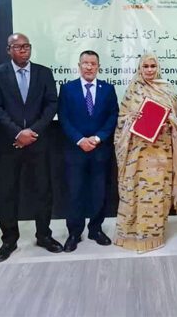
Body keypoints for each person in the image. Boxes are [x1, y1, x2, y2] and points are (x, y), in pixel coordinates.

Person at [0, 33, 61, 262]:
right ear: (8, 50)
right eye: (18, 47)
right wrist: (18, 133)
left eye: (26, 46)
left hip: (38, 143)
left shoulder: (43, 73)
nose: (23, 50)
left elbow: (51, 104)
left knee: (43, 191)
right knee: (7, 193)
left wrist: (32, 132)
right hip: (9, 144)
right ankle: (9, 240)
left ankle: (44, 235)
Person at [113, 53, 177, 252]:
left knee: (157, 194)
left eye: (152, 66)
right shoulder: (132, 90)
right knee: (135, 193)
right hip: (137, 155)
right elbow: (121, 121)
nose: (149, 70)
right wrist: (131, 118)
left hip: (162, 154)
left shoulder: (168, 90)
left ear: (158, 67)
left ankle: (153, 236)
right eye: (145, 66)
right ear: (140, 68)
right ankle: (130, 235)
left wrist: (168, 121)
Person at [57, 50, 118, 252]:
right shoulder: (67, 88)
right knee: (75, 193)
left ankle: (95, 229)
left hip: (100, 150)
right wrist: (80, 140)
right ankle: (74, 233)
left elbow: (113, 116)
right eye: (85, 63)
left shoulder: (108, 89)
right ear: (79, 66)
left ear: (98, 66)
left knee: (99, 192)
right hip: (75, 151)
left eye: (93, 63)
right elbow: (64, 118)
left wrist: (98, 138)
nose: (89, 67)